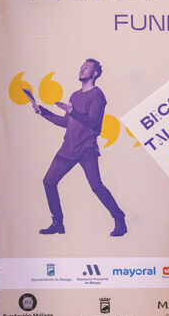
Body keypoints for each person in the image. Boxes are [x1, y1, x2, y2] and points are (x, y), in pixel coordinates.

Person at [32, 59, 127, 237]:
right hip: (68, 148)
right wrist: (43, 111)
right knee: (49, 181)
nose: (82, 69)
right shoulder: (75, 96)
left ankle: (119, 218)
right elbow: (66, 123)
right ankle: (58, 223)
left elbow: (94, 122)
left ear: (95, 74)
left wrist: (72, 111)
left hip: (86, 148)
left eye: (87, 67)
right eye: (82, 66)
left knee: (96, 186)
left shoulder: (98, 95)